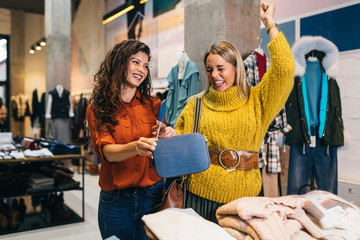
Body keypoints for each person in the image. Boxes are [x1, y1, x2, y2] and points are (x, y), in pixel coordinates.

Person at [154, 2, 295, 223]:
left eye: (221, 68)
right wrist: (170, 137)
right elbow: (182, 147)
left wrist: (269, 23)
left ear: (236, 68)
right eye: (209, 69)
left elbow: (285, 69)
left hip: (244, 201)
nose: (215, 75)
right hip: (199, 196)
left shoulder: (258, 101)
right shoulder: (195, 105)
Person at [86, 40, 164, 240]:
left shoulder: (154, 104)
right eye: (136, 62)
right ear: (120, 63)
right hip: (116, 201)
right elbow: (106, 152)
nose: (142, 70)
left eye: (145, 65)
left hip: (152, 195)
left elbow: (163, 149)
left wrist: (168, 135)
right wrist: (135, 147)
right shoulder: (98, 108)